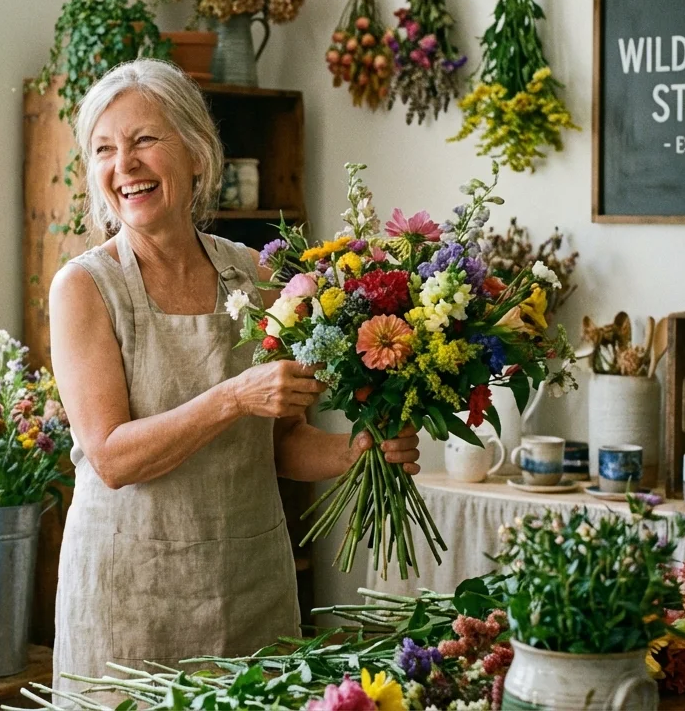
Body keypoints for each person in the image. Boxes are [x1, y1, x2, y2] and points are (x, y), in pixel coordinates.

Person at [48, 59, 420, 692]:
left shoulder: (256, 275)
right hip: (128, 597)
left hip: (247, 583)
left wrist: (358, 453)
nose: (125, 165)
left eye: (143, 141)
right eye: (105, 150)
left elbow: (277, 443)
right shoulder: (85, 287)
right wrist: (232, 397)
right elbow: (111, 458)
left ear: (196, 153)